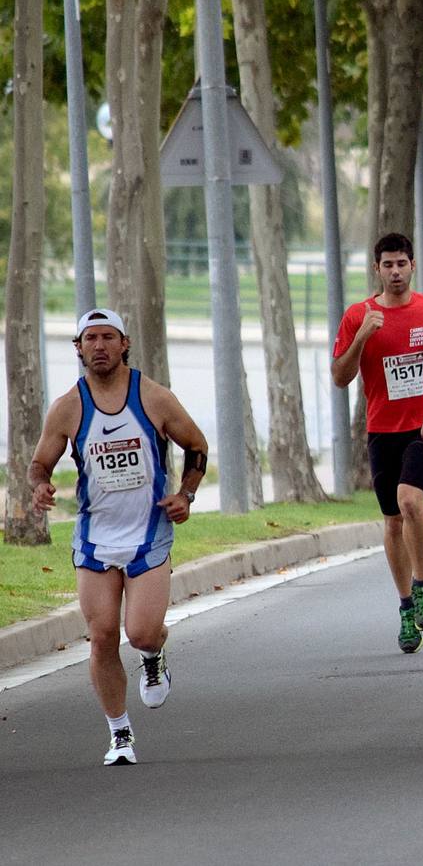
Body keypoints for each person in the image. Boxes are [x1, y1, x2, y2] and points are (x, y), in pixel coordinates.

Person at [28, 309, 209, 765]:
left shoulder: (153, 397)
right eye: (91, 339)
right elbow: (39, 462)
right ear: (79, 348)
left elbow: (197, 445)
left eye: (109, 337)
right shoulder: (69, 406)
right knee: (103, 635)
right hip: (94, 537)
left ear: (125, 343)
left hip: (148, 533)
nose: (100, 346)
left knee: (142, 633)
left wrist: (186, 493)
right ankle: (120, 733)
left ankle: (154, 655)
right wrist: (40, 487)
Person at [331, 233, 423, 654]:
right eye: (387, 265)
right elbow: (339, 377)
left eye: (402, 263)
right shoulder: (358, 316)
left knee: (410, 501)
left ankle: (421, 583)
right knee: (392, 521)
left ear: (413, 266)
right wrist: (362, 338)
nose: (396, 272)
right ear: (377, 269)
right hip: (381, 430)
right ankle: (406, 607)